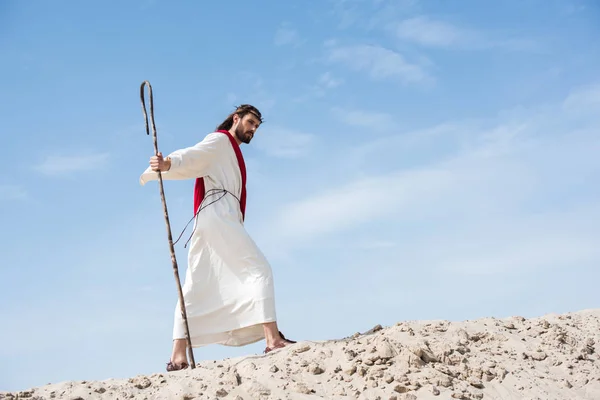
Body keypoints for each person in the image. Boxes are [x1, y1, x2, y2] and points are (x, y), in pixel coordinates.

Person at [139, 104, 295, 372]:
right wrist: (168, 164)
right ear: (236, 119)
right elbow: (195, 155)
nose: (253, 129)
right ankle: (272, 339)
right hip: (219, 214)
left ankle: (178, 357)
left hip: (217, 216)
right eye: (250, 123)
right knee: (259, 270)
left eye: (257, 126)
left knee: (197, 282)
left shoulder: (229, 149)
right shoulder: (221, 140)